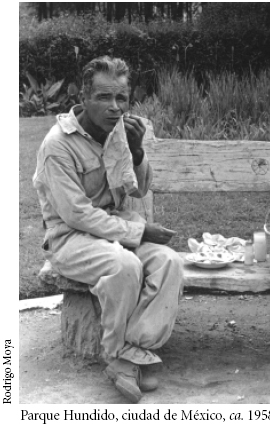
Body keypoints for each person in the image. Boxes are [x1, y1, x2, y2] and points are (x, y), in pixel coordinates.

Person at [33, 56, 184, 402]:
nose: (114, 107)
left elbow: (138, 190)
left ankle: (132, 355)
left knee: (170, 262)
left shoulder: (119, 133)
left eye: (121, 98)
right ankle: (117, 354)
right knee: (124, 265)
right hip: (70, 238)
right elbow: (77, 215)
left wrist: (137, 150)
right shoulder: (58, 145)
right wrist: (139, 233)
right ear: (84, 97)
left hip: (114, 230)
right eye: (104, 97)